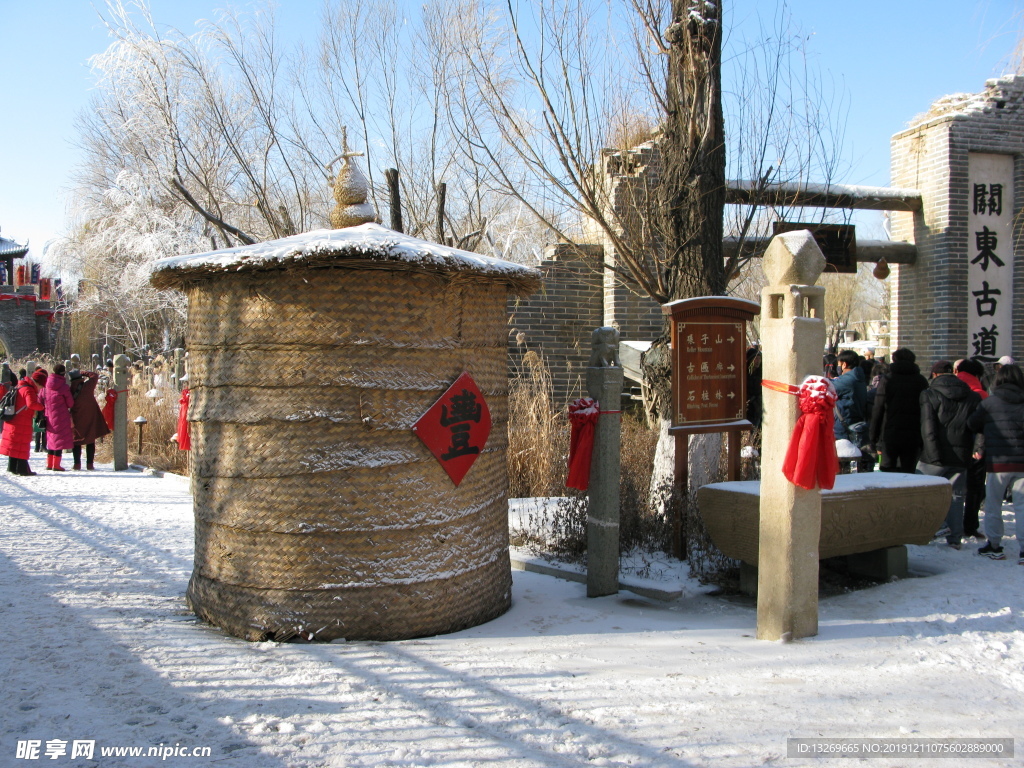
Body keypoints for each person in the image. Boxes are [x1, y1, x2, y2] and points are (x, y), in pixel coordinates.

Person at [918, 360, 982, 549]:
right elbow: (979, 428)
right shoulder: (973, 397)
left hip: (933, 455)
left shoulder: (928, 394)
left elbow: (928, 427)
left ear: (935, 375)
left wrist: (932, 453)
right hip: (961, 454)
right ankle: (954, 537)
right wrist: (977, 449)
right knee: (957, 496)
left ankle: (925, 532)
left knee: (926, 494)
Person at [967, 363, 1024, 563]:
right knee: (1022, 507)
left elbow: (972, 423)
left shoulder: (990, 403)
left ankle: (994, 545)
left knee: (993, 505)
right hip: (1022, 463)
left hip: (997, 462)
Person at [869, 347, 929, 472]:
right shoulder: (921, 380)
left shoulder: (888, 380)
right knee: (909, 472)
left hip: (890, 432)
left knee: (888, 471)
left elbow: (878, 409)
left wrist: (873, 436)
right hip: (914, 432)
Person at [956, 357, 989, 540]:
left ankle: (948, 525)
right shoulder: (981, 394)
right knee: (974, 488)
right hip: (975, 448)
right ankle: (970, 525)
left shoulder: (944, 389)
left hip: (948, 448)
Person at [0, 368, 47, 475]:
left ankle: (12, 467)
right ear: (38, 383)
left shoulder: (21, 385)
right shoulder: (29, 389)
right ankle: (22, 469)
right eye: (41, 386)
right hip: (21, 421)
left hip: (13, 419)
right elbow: (31, 404)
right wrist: (43, 406)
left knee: (14, 446)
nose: (41, 389)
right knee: (21, 445)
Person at [70, 369, 110, 470]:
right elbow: (94, 375)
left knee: (76, 440)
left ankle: (77, 464)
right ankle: (89, 464)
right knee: (90, 439)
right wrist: (83, 372)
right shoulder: (87, 386)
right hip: (90, 415)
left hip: (76, 416)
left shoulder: (70, 389)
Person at [40, 363, 74, 471]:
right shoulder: (64, 387)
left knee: (51, 439)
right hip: (61, 417)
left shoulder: (46, 386)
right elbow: (70, 403)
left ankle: (49, 464)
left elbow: (39, 399)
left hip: (49, 416)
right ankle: (57, 465)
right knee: (59, 441)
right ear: (63, 373)